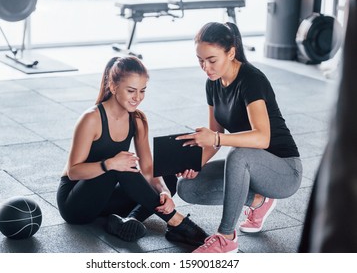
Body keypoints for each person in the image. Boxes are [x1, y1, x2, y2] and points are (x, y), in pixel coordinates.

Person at [176, 22, 303, 253]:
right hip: (249, 167)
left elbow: (262, 138)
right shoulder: (212, 84)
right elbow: (216, 136)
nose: (206, 67)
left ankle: (226, 238)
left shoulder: (251, 80)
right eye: (200, 60)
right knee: (187, 187)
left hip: (284, 170)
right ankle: (259, 201)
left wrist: (214, 138)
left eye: (212, 60)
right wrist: (195, 164)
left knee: (238, 154)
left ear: (231, 52)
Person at [56, 56, 207, 247]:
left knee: (166, 178)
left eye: (142, 91)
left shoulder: (137, 120)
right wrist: (109, 164)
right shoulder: (91, 119)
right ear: (113, 86)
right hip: (75, 204)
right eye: (131, 91)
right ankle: (177, 222)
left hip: (105, 197)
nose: (138, 97)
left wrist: (164, 191)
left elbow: (148, 167)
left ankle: (128, 220)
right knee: (121, 164)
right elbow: (74, 171)